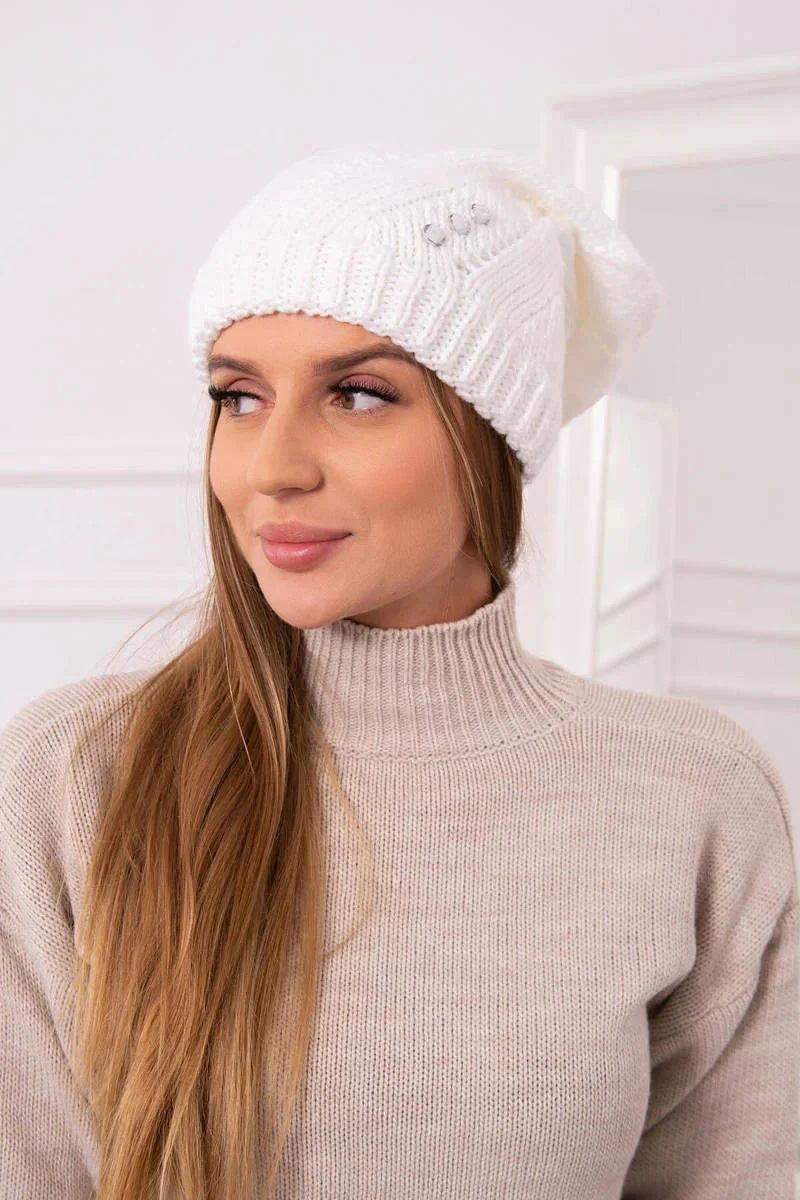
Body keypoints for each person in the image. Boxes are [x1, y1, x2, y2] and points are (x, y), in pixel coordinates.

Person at [0, 145, 797, 1200]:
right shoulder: (72, 777)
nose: (272, 466)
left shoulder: (690, 794)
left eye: (359, 394)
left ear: (490, 435)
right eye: (239, 397)